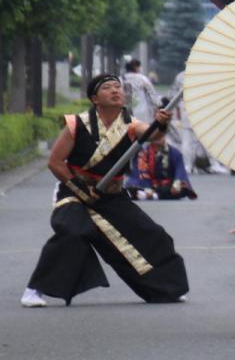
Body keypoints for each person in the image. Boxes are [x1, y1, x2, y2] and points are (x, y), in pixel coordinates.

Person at [21, 74, 190, 307]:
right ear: (94, 98)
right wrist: (78, 188)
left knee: (152, 234)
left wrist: (162, 123)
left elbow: (154, 136)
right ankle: (35, 289)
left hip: (111, 195)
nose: (115, 91)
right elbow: (56, 162)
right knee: (72, 233)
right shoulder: (77, 124)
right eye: (108, 88)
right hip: (74, 192)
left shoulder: (130, 124)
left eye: (118, 87)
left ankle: (165, 289)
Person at [125, 128, 197, 200]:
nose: (158, 138)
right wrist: (146, 188)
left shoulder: (174, 153)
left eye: (160, 136)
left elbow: (180, 170)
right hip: (147, 183)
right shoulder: (143, 153)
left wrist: (177, 183)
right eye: (156, 136)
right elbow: (138, 172)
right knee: (132, 187)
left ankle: (153, 195)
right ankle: (152, 194)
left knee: (180, 189)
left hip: (167, 185)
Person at [121, 58, 160, 124]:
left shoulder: (121, 78)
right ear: (136, 67)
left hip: (126, 110)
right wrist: (157, 106)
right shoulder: (142, 78)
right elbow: (152, 93)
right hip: (142, 110)